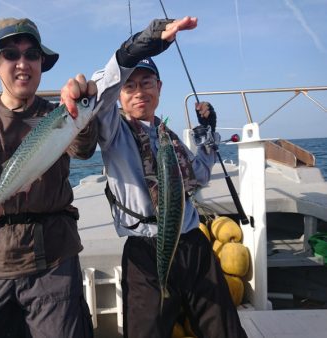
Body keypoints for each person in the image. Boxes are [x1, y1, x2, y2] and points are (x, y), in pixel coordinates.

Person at [62, 17, 247, 337]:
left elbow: (198, 176)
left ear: (159, 88)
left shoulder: (168, 134)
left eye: (146, 83)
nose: (138, 92)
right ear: (120, 94)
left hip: (193, 244)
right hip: (145, 251)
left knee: (225, 330)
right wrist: (135, 49)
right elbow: (102, 89)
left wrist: (209, 134)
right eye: (129, 85)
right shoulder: (113, 129)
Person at [0, 18, 97, 338]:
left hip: (52, 258)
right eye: (11, 54)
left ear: (42, 62)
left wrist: (83, 105)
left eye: (32, 54)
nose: (22, 63)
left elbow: (82, 149)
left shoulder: (59, 112)